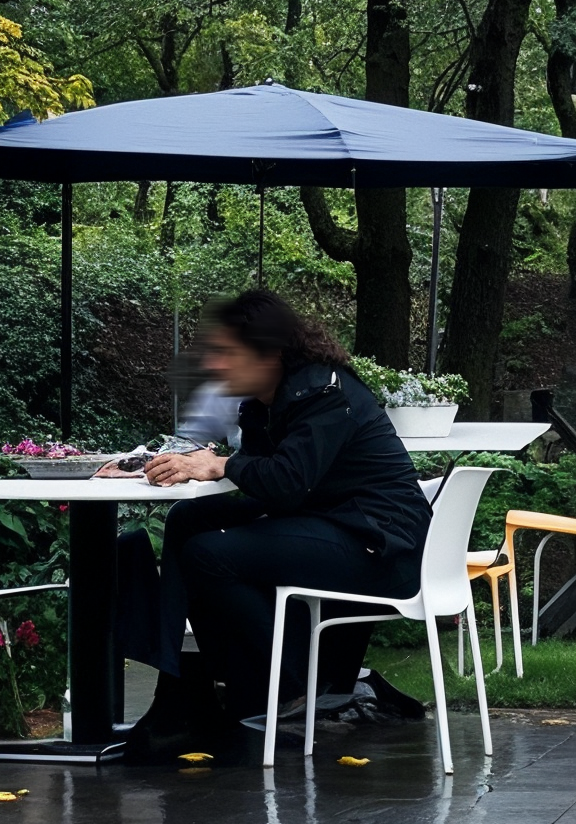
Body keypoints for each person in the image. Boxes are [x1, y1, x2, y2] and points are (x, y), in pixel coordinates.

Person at [133, 290, 424, 759]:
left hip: (379, 544)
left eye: (228, 354)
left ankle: (296, 692)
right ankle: (188, 685)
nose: (217, 365)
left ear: (269, 353)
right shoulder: (262, 403)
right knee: (189, 519)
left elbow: (288, 481)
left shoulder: (324, 393)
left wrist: (221, 465)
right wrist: (147, 468)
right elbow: (265, 481)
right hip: (333, 522)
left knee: (209, 555)